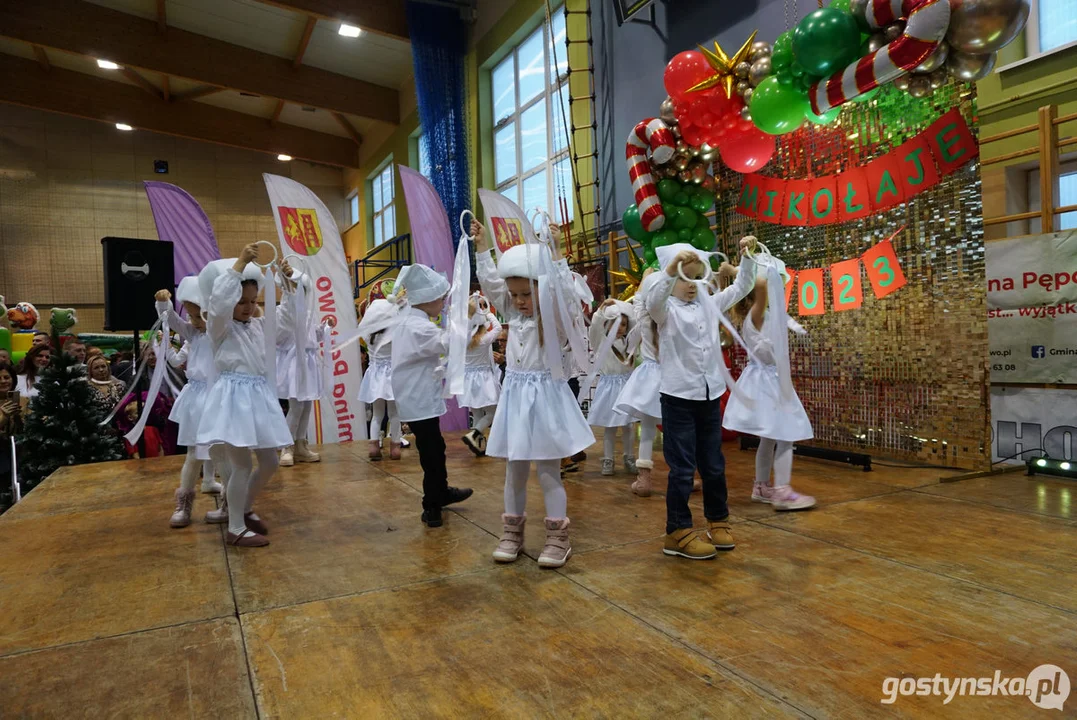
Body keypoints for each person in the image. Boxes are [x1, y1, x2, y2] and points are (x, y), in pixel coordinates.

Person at [473, 219, 594, 568]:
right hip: (516, 397)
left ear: (542, 290)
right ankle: (512, 532)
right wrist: (483, 248)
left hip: (547, 398)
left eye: (527, 294)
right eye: (515, 296)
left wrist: (555, 254)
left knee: (547, 469)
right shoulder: (514, 315)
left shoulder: (555, 319)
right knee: (514, 468)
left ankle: (558, 537)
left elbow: (567, 297)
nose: (520, 301)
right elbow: (493, 286)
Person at [646, 239, 756, 561]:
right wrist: (670, 270)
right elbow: (653, 300)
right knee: (681, 469)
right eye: (683, 277)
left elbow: (741, 286)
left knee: (714, 464)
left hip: (709, 397)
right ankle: (677, 531)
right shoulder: (665, 310)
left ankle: (718, 521)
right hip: (678, 399)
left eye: (695, 277)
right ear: (670, 278)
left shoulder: (708, 304)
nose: (691, 285)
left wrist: (746, 258)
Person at [196, 246, 292, 547]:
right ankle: (235, 526)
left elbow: (287, 320)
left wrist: (289, 285)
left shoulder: (256, 327)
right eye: (242, 301)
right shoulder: (219, 328)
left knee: (270, 462)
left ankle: (243, 507)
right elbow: (220, 304)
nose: (248, 307)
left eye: (253, 301)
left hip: (257, 396)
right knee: (241, 465)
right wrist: (238, 266)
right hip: (233, 399)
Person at [724, 268, 816, 511]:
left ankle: (762, 486)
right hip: (767, 381)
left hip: (767, 379)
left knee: (770, 437)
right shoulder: (757, 314)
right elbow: (763, 283)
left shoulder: (760, 315)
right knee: (786, 435)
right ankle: (782, 491)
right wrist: (736, 271)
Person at [390, 263, 473, 527]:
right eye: (441, 299)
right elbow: (449, 342)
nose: (443, 304)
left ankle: (440, 492)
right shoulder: (418, 326)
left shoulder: (411, 319)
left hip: (417, 394)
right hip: (418, 397)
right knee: (432, 452)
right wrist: (466, 317)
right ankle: (432, 503)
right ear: (427, 300)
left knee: (434, 447)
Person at [155, 278, 226, 530]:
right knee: (193, 453)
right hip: (197, 399)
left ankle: (229, 502)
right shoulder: (192, 334)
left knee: (224, 452)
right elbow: (173, 320)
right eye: (193, 316)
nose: (196, 322)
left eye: (201, 316)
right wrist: (164, 304)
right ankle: (184, 503)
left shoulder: (224, 333)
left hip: (220, 396)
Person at [615, 270, 664, 496]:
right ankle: (687, 473)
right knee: (678, 429)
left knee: (647, 430)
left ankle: (643, 478)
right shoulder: (671, 315)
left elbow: (638, 301)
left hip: (648, 379)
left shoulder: (644, 317)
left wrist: (645, 278)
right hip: (672, 377)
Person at [276, 268, 328, 467]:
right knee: (296, 405)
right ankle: (286, 446)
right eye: (296, 289)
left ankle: (300, 445)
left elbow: (312, 335)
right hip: (294, 363)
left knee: (306, 405)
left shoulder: (308, 313)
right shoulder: (283, 312)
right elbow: (280, 337)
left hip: (308, 362)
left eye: (303, 289)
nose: (301, 293)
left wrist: (323, 329)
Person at [586, 298, 637, 476]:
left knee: (629, 426)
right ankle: (608, 459)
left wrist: (629, 307)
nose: (620, 327)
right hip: (608, 387)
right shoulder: (600, 341)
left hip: (626, 386)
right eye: (615, 323)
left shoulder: (629, 342)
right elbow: (594, 327)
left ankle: (629, 457)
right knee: (610, 427)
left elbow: (638, 326)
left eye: (623, 324)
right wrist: (601, 311)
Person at [357, 299, 402, 461]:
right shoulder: (395, 334)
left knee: (377, 414)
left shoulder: (368, 335)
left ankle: (373, 446)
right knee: (394, 414)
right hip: (392, 377)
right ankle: (395, 447)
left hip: (375, 377)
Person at [459, 293, 503, 456]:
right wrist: (487, 311)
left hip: (467, 379)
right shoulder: (484, 339)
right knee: (493, 411)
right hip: (483, 378)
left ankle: (478, 446)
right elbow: (498, 327)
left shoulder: (462, 338)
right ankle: (475, 433)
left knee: (477, 412)